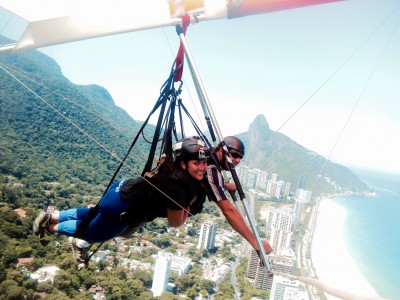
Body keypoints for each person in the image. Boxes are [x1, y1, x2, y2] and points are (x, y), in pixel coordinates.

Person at [33, 137, 209, 247]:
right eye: (196, 163)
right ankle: (51, 228)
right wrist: (188, 206)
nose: (202, 167)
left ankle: (51, 215)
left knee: (94, 213)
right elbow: (175, 223)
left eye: (204, 163)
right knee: (91, 233)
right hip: (122, 208)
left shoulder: (171, 164)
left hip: (121, 188)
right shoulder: (178, 188)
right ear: (184, 164)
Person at [203, 136, 273, 256]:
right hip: (170, 204)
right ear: (220, 150)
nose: (238, 160)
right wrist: (256, 243)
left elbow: (207, 181)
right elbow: (229, 211)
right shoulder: (211, 168)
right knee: (177, 221)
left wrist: (225, 186)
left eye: (240, 157)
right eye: (234, 155)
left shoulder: (210, 158)